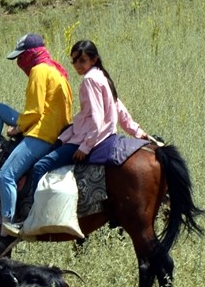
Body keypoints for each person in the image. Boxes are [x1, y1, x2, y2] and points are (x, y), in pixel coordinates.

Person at [0, 33, 73, 238]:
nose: (19, 62)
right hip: (52, 128)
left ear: (30, 54)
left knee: (6, 176)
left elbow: (35, 112)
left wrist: (18, 128)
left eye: (21, 57)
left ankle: (8, 224)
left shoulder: (38, 71)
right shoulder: (56, 70)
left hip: (42, 134)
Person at [21, 40, 148, 214]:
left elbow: (97, 116)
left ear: (93, 60)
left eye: (82, 60)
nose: (77, 65)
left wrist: (85, 147)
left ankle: (35, 213)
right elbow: (118, 107)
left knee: (40, 166)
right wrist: (136, 131)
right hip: (104, 134)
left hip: (88, 137)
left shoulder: (89, 80)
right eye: (74, 61)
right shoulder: (102, 76)